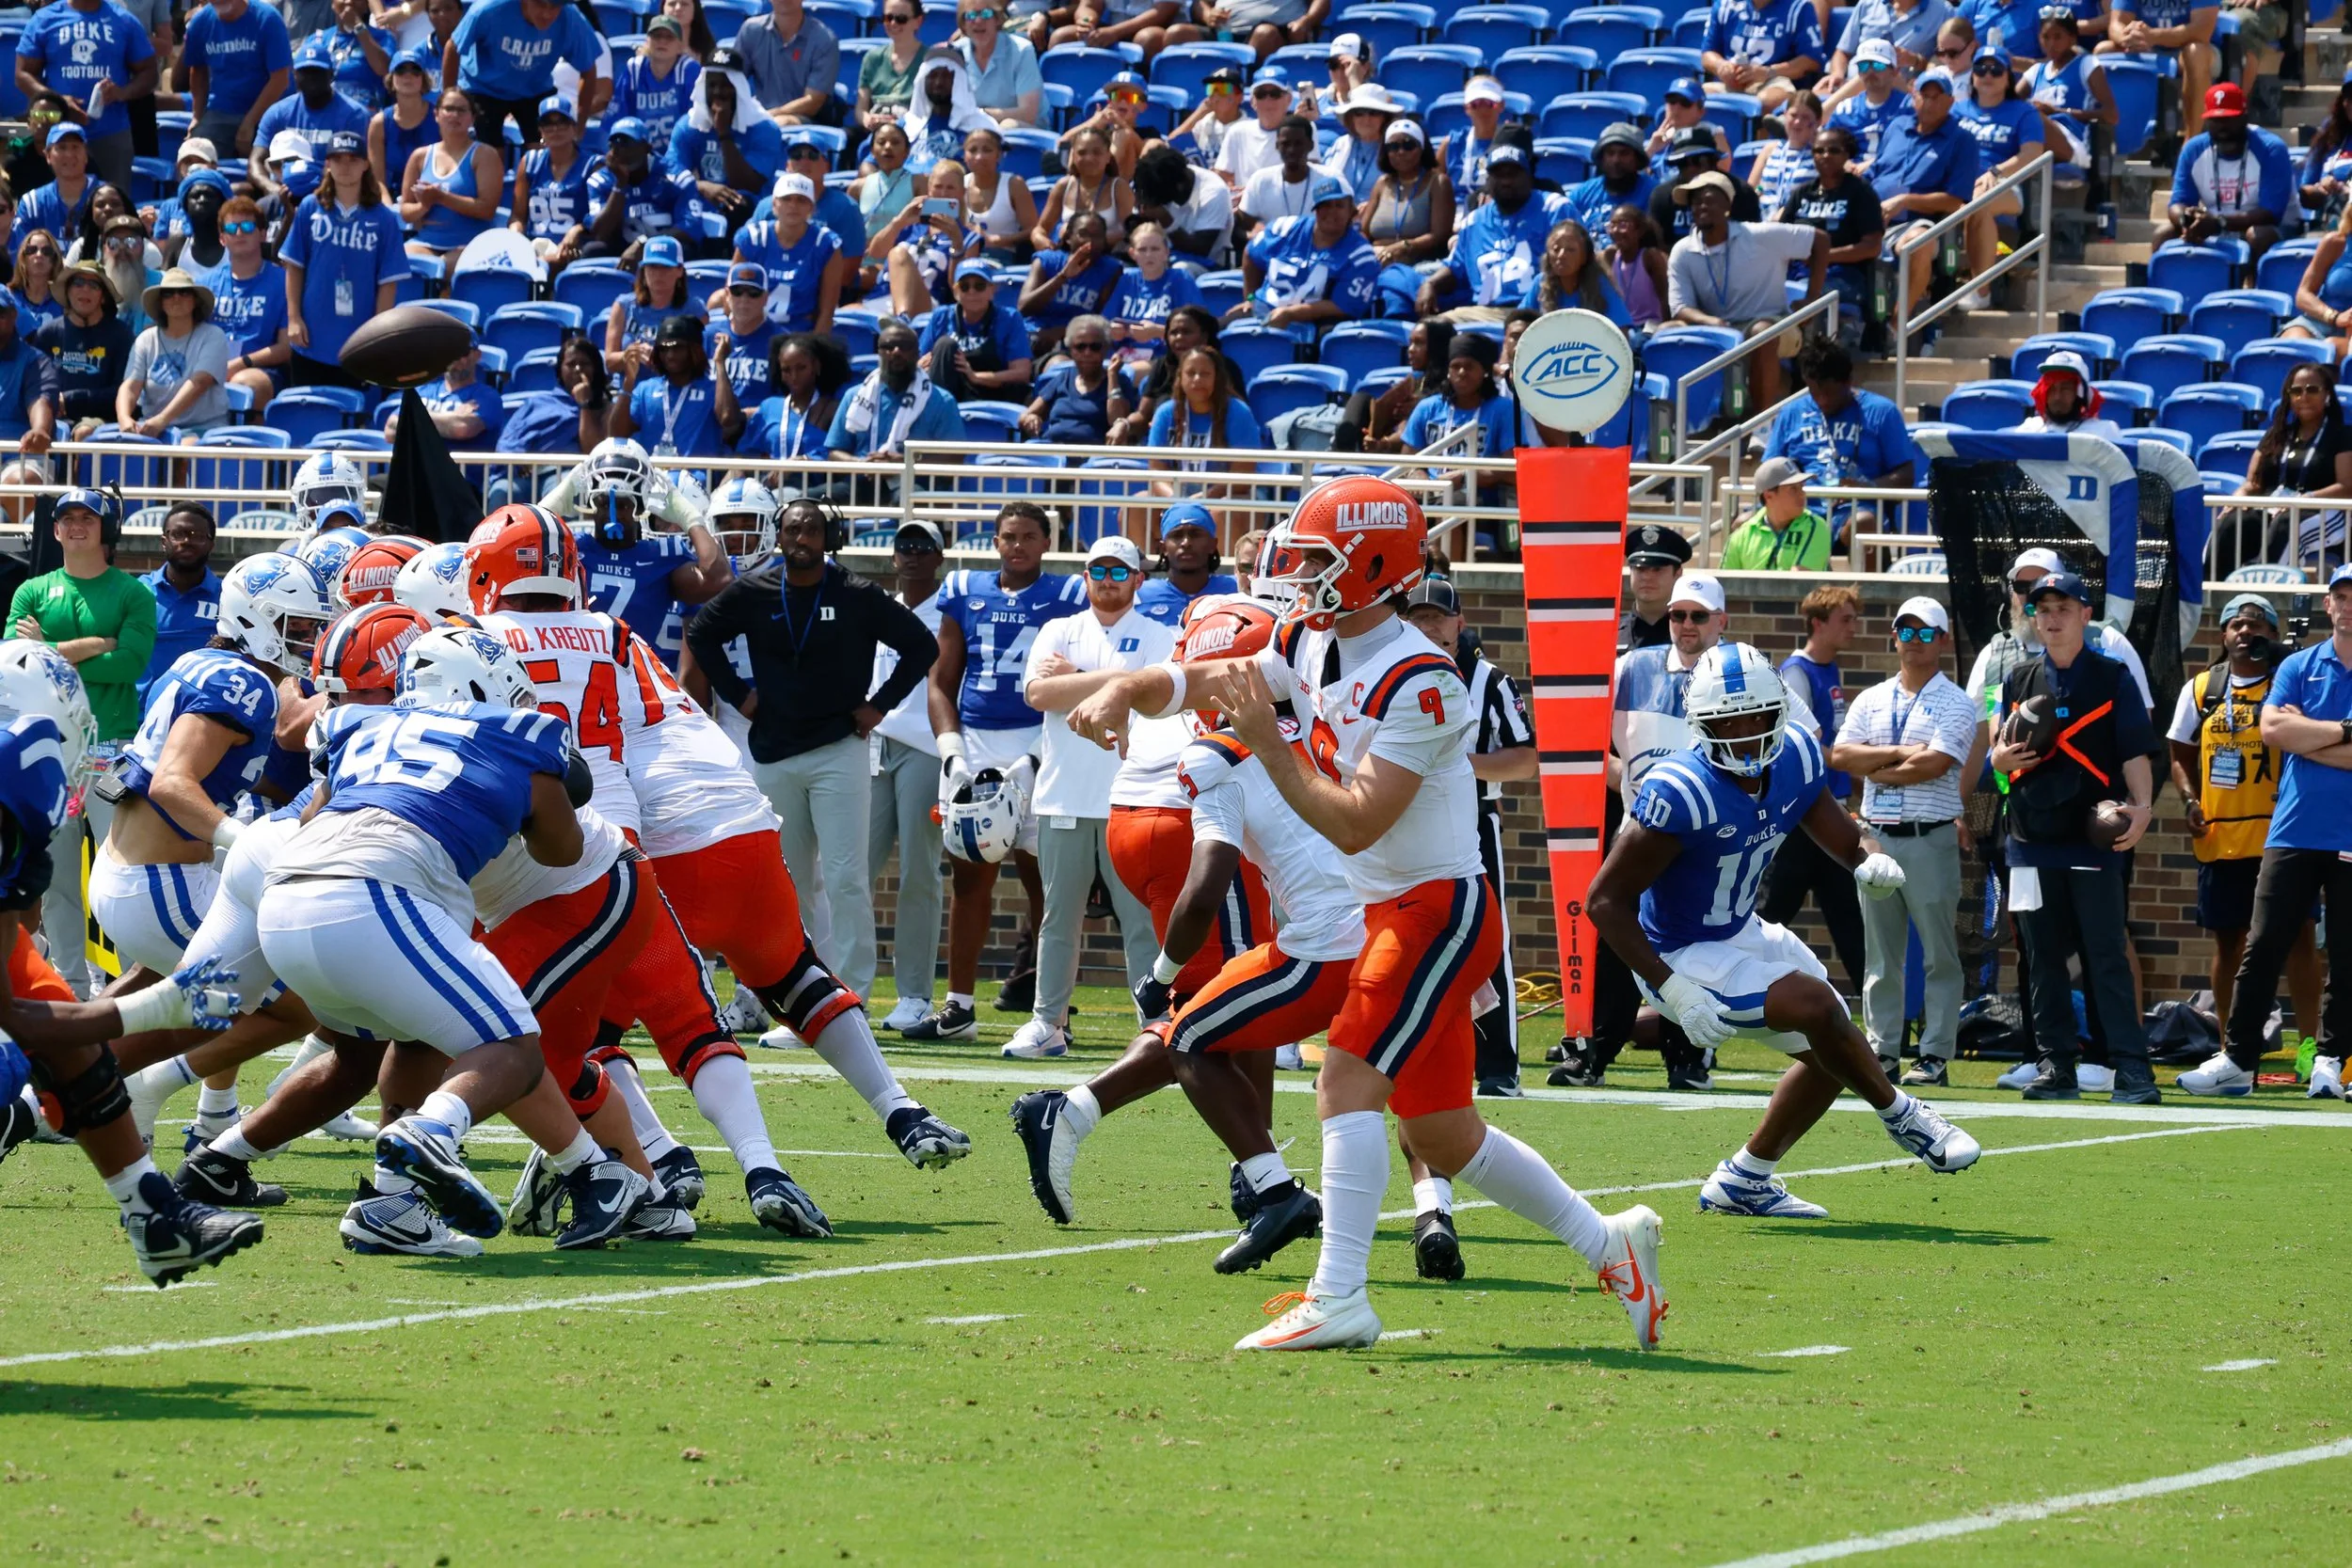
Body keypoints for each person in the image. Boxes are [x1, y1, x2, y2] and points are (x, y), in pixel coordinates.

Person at [1063, 476, 1670, 1354]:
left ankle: (1339, 1293)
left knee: (1344, 1076)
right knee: (1444, 1133)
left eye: (1318, 557)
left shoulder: (1424, 680)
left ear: (1373, 566)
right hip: (1388, 907)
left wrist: (1268, 746)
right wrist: (1129, 687)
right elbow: (1212, 675)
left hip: (1436, 909)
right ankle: (1609, 1243)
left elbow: (1356, 821)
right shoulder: (1310, 637)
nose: (1298, 572)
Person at [1590, 638, 1979, 1221]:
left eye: (1758, 717)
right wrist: (1671, 987)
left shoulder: (1794, 754)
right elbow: (1604, 901)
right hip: (1679, 953)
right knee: (1818, 1006)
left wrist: (1867, 859)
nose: (1746, 735)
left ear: (1779, 712)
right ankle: (1904, 1116)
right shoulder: (1682, 790)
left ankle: (1745, 1178)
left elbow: (1842, 833)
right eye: (1728, 723)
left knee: (1835, 1045)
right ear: (1700, 725)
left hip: (1739, 929)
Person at [0, 643, 263, 1283]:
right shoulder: (18, 771)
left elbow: (23, 942)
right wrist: (155, 1006)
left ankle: (153, 1216)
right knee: (13, 1058)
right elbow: (15, 1016)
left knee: (67, 1033)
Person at [686, 496, 938, 1000]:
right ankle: (799, 996)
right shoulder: (755, 590)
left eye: (812, 530)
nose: (801, 538)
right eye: (793, 530)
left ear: (829, 539)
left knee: (846, 877)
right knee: (788, 882)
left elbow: (922, 647)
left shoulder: (855, 592)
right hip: (774, 752)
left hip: (838, 749)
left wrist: (880, 706)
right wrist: (738, 695)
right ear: (779, 536)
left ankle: (850, 995)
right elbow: (701, 633)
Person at [903, 501, 1086, 1040]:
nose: (1018, 545)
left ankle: (1053, 1013)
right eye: (1009, 536)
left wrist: (1035, 755)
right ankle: (959, 1006)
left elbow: (1078, 680)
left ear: (1047, 542)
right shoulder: (964, 589)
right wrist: (952, 752)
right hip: (977, 742)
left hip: (1041, 739)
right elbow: (941, 681)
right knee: (969, 877)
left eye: (1029, 536)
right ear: (995, 542)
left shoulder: (1068, 595)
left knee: (1045, 881)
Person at [1990, 570, 2162, 1102]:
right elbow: (1998, 753)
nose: (2052, 618)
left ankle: (2130, 1068)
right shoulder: (2017, 679)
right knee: (2040, 958)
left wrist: (2143, 810)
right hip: (2029, 840)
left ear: (2087, 614)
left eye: (2063, 607)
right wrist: (1998, 761)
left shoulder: (2113, 677)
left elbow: (2135, 751)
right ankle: (2056, 1065)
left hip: (2093, 837)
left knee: (2104, 955)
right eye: (2042, 609)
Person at [1001, 534, 1167, 1059]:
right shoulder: (1058, 629)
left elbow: (1155, 695)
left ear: (1137, 579)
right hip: (1063, 798)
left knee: (1141, 921)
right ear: (1085, 576)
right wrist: (1120, 680)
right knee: (1057, 918)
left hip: (1132, 797)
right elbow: (1038, 693)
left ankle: (1154, 1024)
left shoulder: (1160, 634)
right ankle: (1048, 1022)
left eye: (1119, 572)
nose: (1108, 581)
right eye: (1099, 571)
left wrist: (1076, 678)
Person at [2201, 565, 2352, 1100]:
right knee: (2262, 944)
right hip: (2292, 828)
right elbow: (2272, 730)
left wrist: (2306, 738)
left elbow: (2290, 733)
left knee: (2346, 954)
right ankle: (2238, 1059)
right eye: (2341, 596)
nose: (2349, 605)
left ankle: (2331, 1060)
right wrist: (2344, 732)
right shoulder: (2298, 666)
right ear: (2328, 605)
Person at [2164, 592, 2321, 1071]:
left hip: (2283, 833)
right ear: (2223, 635)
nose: (2245, 631)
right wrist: (2190, 800)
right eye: (2235, 623)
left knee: (2299, 937)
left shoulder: (2289, 682)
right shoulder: (2202, 689)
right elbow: (2179, 753)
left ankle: (2312, 1049)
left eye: (2256, 624)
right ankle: (2231, 1047)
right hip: (2222, 837)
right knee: (2229, 941)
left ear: (2273, 634)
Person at [8, 489, 151, 994]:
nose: (75, 526)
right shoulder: (32, 589)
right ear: (54, 530)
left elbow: (130, 663)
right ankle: (70, 983)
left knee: (121, 873)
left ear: (104, 529)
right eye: (66, 518)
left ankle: (130, 981)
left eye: (87, 518)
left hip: (113, 750)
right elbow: (16, 659)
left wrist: (48, 649)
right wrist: (94, 645)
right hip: (48, 752)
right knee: (57, 877)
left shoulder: (134, 593)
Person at [1830, 594, 1975, 1086]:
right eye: (1906, 631)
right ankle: (1882, 1051)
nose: (1914, 640)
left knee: (1939, 954)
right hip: (1875, 838)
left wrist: (1877, 765)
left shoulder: (1956, 701)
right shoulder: (1872, 698)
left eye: (1925, 632)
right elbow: (1841, 756)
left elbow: (1935, 764)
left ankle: (1934, 1055)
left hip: (1929, 837)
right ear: (1894, 637)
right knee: (1880, 955)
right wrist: (1898, 753)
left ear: (1943, 640)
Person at [1400, 577, 1535, 1095]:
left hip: (1471, 818)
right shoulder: (1387, 674)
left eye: (1437, 617)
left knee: (1486, 938)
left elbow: (1525, 758)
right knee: (1397, 934)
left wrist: (1458, 765)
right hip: (1398, 817)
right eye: (1417, 617)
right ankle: (1397, 1056)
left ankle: (1498, 1066)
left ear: (1459, 623)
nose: (1428, 627)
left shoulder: (1490, 681)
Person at [1753, 584, 1867, 1001]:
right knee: (1770, 916)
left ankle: (1885, 1016)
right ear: (1818, 623)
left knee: (1849, 920)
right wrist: (1866, 762)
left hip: (1829, 816)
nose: (1853, 628)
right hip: (1803, 822)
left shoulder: (1829, 668)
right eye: (1845, 620)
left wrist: (1855, 779)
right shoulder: (1796, 673)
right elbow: (1802, 746)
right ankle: (1729, 991)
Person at [862, 520, 949, 1032]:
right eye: (904, 546)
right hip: (872, 745)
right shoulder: (878, 607)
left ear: (939, 557)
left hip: (925, 748)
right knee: (852, 874)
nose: (912, 554)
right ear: (892, 557)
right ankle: (845, 989)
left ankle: (914, 994)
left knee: (919, 871)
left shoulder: (948, 612)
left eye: (923, 546)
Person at [547, 435, 731, 667]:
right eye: (605, 503)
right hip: (576, 669)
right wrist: (552, 505)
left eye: (623, 504)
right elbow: (516, 550)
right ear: (592, 501)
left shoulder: (662, 556)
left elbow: (719, 577)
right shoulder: (574, 546)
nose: (614, 513)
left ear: (641, 504)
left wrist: (689, 516)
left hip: (633, 676)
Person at [1667, 173, 1829, 409]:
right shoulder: (1682, 250)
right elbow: (1680, 307)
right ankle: (1688, 418)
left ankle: (1760, 422)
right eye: (1696, 202)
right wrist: (1710, 321)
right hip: (1717, 327)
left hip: (1772, 322)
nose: (1701, 207)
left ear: (1728, 206)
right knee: (1667, 331)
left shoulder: (1759, 235)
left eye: (1709, 200)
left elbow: (1821, 241)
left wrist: (1812, 298)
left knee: (1761, 333)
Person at [278, 129, 409, 390]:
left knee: (352, 410)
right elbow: (294, 267)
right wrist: (293, 319)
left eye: (353, 159)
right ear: (327, 164)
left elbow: (388, 283)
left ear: (365, 164)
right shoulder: (309, 208)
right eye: (337, 159)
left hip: (357, 339)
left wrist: (377, 334)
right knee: (309, 407)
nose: (345, 166)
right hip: (310, 337)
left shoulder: (383, 218)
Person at [1764, 336, 1915, 535]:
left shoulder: (1882, 412)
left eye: (1830, 393)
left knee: (1863, 523)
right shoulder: (1791, 412)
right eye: (1815, 393)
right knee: (1743, 522)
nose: (1823, 401)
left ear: (1848, 382)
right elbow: (1768, 470)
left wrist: (1866, 487)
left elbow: (1906, 475)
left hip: (1854, 508)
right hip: (1799, 507)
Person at [15, 0, 159, 189]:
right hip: (57, 133)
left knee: (111, 200)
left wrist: (122, 93)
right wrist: (58, 101)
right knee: (54, 199)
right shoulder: (44, 19)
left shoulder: (124, 20)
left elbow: (149, 72)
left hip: (110, 133)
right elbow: (23, 74)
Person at [1418, 145, 1568, 324]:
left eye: (1513, 174)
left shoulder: (1553, 208)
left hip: (1539, 309)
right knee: (1431, 329)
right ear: (1488, 181)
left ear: (1528, 176)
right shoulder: (1474, 221)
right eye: (1498, 175)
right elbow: (1455, 268)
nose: (1506, 181)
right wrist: (1430, 284)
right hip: (1485, 312)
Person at [1871, 67, 1980, 312]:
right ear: (1913, 97)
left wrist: (1904, 201)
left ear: (1950, 102)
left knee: (1918, 243)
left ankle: (1898, 322)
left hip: (1916, 223)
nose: (1929, 103)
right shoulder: (1896, 126)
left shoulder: (1962, 140)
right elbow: (1878, 171)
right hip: (1873, 218)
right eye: (1924, 95)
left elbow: (1954, 200)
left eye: (1937, 97)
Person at [2227, 361, 2352, 569]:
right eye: (2296, 391)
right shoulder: (2277, 435)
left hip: (2326, 511)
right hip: (2275, 508)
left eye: (2312, 389)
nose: (2303, 396)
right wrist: (2239, 496)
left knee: (2287, 523)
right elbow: (2253, 483)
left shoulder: (2343, 435)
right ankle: (2210, 585)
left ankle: (2264, 583)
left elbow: (2347, 487)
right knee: (2235, 520)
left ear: (2327, 394)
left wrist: (2305, 499)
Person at [2157, 82, 2290, 261]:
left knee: (2259, 235)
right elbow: (2177, 203)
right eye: (2215, 120)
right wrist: (2187, 220)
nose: (2222, 127)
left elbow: (2270, 214)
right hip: (2213, 224)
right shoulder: (2193, 150)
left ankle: (2253, 281)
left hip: (2269, 228)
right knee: (2164, 234)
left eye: (2229, 119)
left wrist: (2219, 222)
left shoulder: (2271, 149)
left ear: (2245, 117)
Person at [443, 0, 604, 147]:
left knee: (548, 150)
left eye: (554, 6)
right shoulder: (488, 9)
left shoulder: (571, 18)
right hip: (484, 87)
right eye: (540, 4)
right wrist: (449, 99)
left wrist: (579, 127)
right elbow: (453, 47)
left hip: (535, 88)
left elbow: (588, 69)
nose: (547, 14)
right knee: (490, 154)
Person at [1952, 48, 2042, 309]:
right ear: (1972, 76)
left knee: (1980, 200)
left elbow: (2032, 153)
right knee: (1974, 202)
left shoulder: (2023, 112)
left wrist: (1996, 171)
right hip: (1961, 183)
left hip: (2005, 183)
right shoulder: (1958, 110)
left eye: (1996, 70)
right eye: (1981, 69)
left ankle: (1980, 291)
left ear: (2008, 78)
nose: (1988, 75)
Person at [1775, 126, 1883, 345]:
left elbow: (1872, 246)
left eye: (1833, 150)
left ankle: (1809, 355)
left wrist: (1825, 256)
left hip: (1844, 276)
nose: (1825, 155)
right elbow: (1781, 236)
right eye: (1819, 151)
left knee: (1805, 299)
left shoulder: (1860, 192)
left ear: (1847, 155)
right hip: (1797, 273)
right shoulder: (1802, 193)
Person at [667, 53, 787, 233]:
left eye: (725, 85)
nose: (717, 92)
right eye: (712, 85)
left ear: (739, 88)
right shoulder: (690, 125)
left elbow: (747, 184)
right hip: (704, 199)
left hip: (750, 211)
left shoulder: (764, 128)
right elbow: (671, 171)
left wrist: (723, 133)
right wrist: (701, 186)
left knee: (737, 203)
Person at [115, 265, 232, 437]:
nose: (176, 297)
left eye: (184, 292)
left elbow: (199, 383)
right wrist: (124, 418)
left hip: (203, 428)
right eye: (168, 294)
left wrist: (163, 419)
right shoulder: (145, 340)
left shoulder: (213, 336)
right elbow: (130, 386)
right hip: (150, 428)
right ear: (161, 303)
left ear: (195, 300)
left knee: (185, 449)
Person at [568, 118, 705, 260]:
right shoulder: (601, 181)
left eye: (627, 143)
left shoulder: (676, 177)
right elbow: (600, 233)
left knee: (686, 249)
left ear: (647, 147)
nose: (620, 151)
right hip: (621, 250)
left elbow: (690, 227)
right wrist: (620, 185)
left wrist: (646, 245)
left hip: (665, 251)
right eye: (614, 144)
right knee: (592, 251)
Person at [398, 86, 501, 267]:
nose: (455, 115)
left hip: (469, 244)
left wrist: (442, 198)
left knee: (446, 267)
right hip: (426, 242)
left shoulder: (485, 155)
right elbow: (406, 212)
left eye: (461, 110)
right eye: (449, 109)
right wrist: (424, 205)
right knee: (399, 263)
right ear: (436, 114)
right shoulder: (420, 156)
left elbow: (487, 210)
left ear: (472, 118)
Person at [733, 172, 847, 337]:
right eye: (786, 199)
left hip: (800, 335)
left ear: (812, 207)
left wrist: (813, 347)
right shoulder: (752, 239)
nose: (793, 205)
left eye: (801, 200)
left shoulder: (826, 244)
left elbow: (827, 312)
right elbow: (733, 292)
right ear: (774, 204)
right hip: (753, 329)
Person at [251, 36, 369, 185]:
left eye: (317, 71)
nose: (311, 78)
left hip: (332, 188)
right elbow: (255, 162)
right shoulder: (278, 113)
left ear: (331, 74)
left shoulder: (354, 115)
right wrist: (272, 189)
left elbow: (356, 167)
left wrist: (318, 192)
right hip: (283, 186)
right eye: (305, 72)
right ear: (295, 75)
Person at [135, 502, 219, 709]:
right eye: (178, 534)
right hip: (140, 719)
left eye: (197, 536)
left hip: (203, 717)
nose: (186, 541)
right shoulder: (136, 593)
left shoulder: (227, 598)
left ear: (211, 544)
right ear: (164, 541)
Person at [211, 194, 291, 408]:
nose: (239, 233)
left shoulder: (284, 282)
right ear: (222, 238)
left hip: (263, 371)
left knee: (243, 383)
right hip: (211, 368)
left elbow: (286, 348)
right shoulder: (206, 284)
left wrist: (242, 363)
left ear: (262, 234)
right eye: (231, 228)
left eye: (247, 226)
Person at [184, 0, 294, 156]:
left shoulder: (267, 18)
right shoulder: (200, 22)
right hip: (222, 111)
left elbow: (280, 79)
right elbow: (198, 71)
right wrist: (197, 116)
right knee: (193, 154)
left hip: (270, 112)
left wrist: (249, 123)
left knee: (269, 162)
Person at [35, 260, 130, 436]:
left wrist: (70, 399)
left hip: (101, 420)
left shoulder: (121, 335)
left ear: (103, 297)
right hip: (52, 414)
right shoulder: (48, 334)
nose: (85, 289)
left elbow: (123, 391)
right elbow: (34, 383)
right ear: (68, 291)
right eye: (78, 283)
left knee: (84, 432)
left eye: (94, 285)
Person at [920, 257, 1033, 403]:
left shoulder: (1010, 318)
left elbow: (1022, 373)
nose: (972, 292)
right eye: (964, 286)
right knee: (945, 345)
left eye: (979, 286)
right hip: (948, 391)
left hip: (990, 394)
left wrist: (974, 376)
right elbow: (919, 362)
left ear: (992, 290)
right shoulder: (941, 316)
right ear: (955, 292)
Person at [2099, 0, 2217, 135]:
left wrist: (2154, 36)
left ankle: (2192, 139)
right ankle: (2115, 136)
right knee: (2104, 50)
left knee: (2196, 54)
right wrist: (2128, 38)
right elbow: (2116, 24)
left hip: (2192, 48)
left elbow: (2201, 31)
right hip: (2146, 47)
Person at [1018, 310, 1123, 443]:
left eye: (1095, 347)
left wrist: (1112, 376)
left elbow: (1117, 422)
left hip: (1092, 453)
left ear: (1105, 349)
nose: (1087, 353)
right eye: (1080, 347)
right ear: (1071, 350)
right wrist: (1030, 418)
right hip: (1052, 449)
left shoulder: (1117, 381)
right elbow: (1027, 414)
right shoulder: (1063, 379)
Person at [511, 93, 592, 266]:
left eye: (562, 122)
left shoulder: (592, 165)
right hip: (534, 247)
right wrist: (516, 237)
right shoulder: (530, 162)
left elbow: (599, 217)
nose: (555, 129)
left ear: (574, 127)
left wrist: (579, 230)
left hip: (574, 249)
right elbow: (517, 216)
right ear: (540, 130)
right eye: (547, 123)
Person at [1104, 219, 1205, 357]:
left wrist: (1157, 332)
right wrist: (1112, 330)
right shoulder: (1127, 279)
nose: (1148, 255)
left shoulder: (1180, 278)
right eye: (1142, 249)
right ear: (1132, 254)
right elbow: (1105, 322)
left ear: (1166, 252)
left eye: (1155, 249)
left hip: (1165, 356)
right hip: (1125, 354)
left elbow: (1198, 329)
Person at [612, 10, 702, 159]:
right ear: (647, 42)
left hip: (682, 155)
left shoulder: (689, 71)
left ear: (680, 45)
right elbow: (617, 119)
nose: (662, 41)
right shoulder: (634, 70)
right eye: (657, 36)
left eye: (669, 37)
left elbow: (695, 125)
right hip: (639, 157)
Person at [734, 0, 841, 125]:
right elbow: (733, 78)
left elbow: (813, 102)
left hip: (807, 121)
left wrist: (768, 115)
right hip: (761, 117)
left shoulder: (824, 39)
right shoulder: (751, 30)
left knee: (782, 122)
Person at [386, 340, 505, 451]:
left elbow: (461, 429)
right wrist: (451, 417)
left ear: (477, 355)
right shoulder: (422, 390)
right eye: (449, 352)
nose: (456, 359)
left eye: (463, 352)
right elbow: (390, 431)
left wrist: (413, 417)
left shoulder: (488, 396)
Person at [1719, 455, 1834, 570]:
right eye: (1793, 489)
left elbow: (1800, 579)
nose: (1802, 494)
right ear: (1769, 496)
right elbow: (1725, 579)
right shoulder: (1741, 535)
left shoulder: (1816, 526)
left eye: (1801, 487)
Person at [1134, 502, 1236, 626]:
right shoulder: (1140, 595)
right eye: (1177, 535)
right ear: (1163, 547)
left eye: (1195, 534)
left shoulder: (1236, 591)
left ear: (1213, 545)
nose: (1186, 543)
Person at [1131, 143, 1232, 268]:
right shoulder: (1155, 178)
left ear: (1180, 186)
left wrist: (1166, 221)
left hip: (1208, 266)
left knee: (1181, 268)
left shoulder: (1213, 192)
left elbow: (1201, 249)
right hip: (1161, 257)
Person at [1235, 113, 1318, 248]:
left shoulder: (1328, 179)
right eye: (1285, 144)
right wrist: (1258, 228)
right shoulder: (1260, 180)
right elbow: (1244, 218)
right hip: (1272, 251)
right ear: (1277, 145)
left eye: (1298, 144)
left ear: (1311, 145)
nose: (1291, 150)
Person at [1567, 124, 1658, 243]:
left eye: (1624, 153)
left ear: (1637, 158)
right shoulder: (1581, 194)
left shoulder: (1653, 194)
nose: (1616, 160)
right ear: (1602, 158)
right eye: (1610, 153)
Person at [2014, 347, 2122, 437]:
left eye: (2065, 389)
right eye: (2051, 389)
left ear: (2081, 394)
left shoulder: (2104, 431)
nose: (2057, 397)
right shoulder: (2029, 429)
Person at [857, 0, 926, 131]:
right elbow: (861, 109)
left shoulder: (929, 60)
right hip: (876, 132)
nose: (893, 23)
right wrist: (867, 120)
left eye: (901, 19)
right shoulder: (872, 58)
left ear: (918, 21)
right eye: (888, 18)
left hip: (912, 132)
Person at [1217, 71, 1293, 190]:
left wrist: (1253, 194)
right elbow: (1223, 175)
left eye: (1275, 94)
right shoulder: (1237, 131)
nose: (1268, 100)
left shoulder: (1301, 131)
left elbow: (1307, 178)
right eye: (1261, 94)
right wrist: (1231, 189)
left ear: (1289, 99)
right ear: (1253, 101)